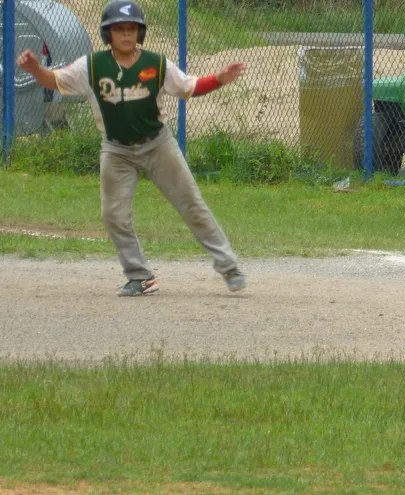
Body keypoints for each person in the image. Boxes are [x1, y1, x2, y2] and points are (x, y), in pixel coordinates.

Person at [17, 1, 248, 297]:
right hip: (116, 151)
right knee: (113, 215)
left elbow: (190, 86)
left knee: (192, 205)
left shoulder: (156, 63)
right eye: (118, 29)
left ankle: (229, 267)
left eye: (131, 29)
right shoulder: (92, 65)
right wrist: (35, 68)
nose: (126, 34)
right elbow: (55, 80)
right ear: (107, 33)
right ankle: (140, 276)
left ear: (140, 33)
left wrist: (219, 78)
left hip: (158, 145)